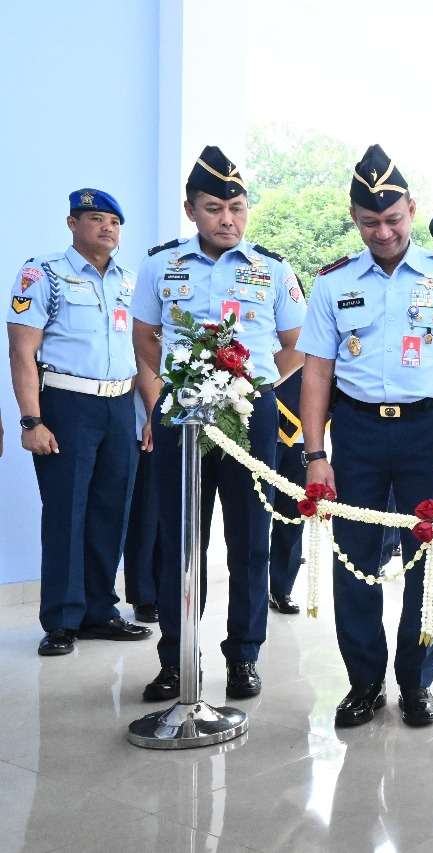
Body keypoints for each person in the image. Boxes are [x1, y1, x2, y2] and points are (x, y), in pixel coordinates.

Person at [133, 146, 306, 701]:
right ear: (191, 211)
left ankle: (244, 656)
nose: (227, 218)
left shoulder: (272, 269)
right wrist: (168, 395)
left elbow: (295, 346)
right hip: (182, 413)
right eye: (213, 208)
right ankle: (177, 659)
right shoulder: (162, 264)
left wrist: (248, 388)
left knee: (251, 540)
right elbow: (144, 337)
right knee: (180, 540)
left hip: (249, 417)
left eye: (236, 206)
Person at [297, 144, 433, 728]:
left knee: (427, 557)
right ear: (354, 219)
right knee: (356, 560)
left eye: (393, 220)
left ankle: (416, 684)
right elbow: (316, 373)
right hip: (359, 432)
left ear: (412, 210)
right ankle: (364, 682)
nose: (384, 233)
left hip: (428, 432)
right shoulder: (331, 284)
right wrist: (316, 455)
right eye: (370, 223)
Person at [7, 188, 151, 656]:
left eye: (114, 221)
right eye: (95, 219)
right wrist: (31, 420)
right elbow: (22, 351)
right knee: (68, 510)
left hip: (119, 406)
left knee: (113, 509)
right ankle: (63, 619)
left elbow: (146, 354)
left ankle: (99, 610)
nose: (107, 228)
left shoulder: (131, 282)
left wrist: (152, 412)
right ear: (72, 224)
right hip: (67, 406)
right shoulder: (44, 273)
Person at [267, 366, 305, 615]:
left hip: (302, 433)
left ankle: (282, 588)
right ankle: (254, 588)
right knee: (254, 516)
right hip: (258, 420)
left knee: (293, 515)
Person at [122, 389, 161, 623]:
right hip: (149, 422)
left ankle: (168, 590)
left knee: (175, 517)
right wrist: (152, 416)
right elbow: (144, 359)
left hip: (190, 423)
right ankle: (144, 596)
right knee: (146, 514)